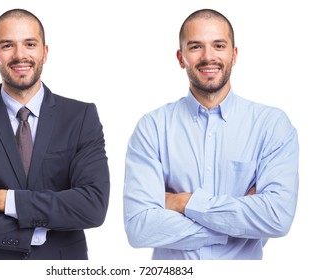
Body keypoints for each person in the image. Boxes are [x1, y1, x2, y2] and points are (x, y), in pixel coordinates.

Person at [123, 9, 299, 260]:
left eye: (218, 45)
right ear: (180, 57)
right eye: (195, 47)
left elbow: (277, 218)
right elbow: (139, 228)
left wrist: (184, 203)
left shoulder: (271, 125)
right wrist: (239, 223)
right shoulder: (152, 127)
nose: (208, 57)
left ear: (234, 54)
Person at [0, 8, 110, 260]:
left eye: (30, 44)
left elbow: (92, 206)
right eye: (7, 45)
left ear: (45, 52)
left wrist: (4, 200)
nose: (20, 55)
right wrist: (34, 232)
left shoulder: (81, 117)